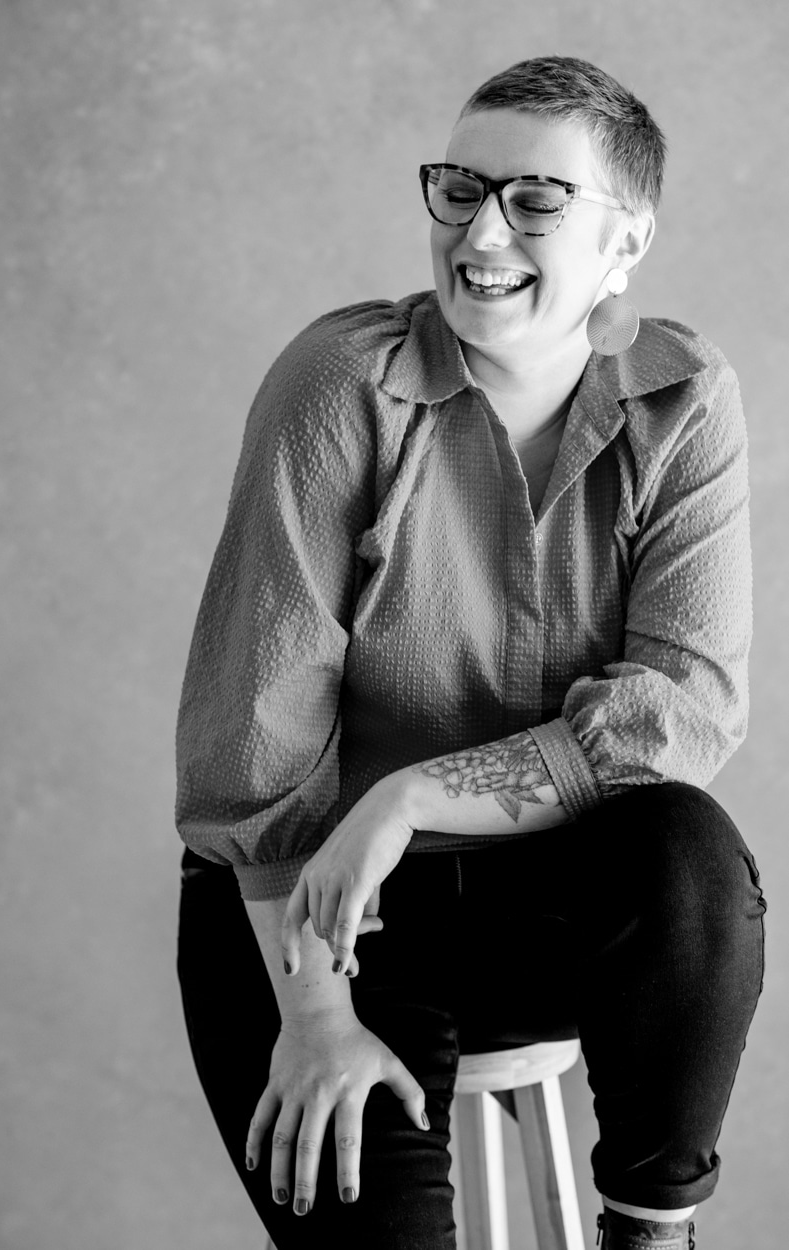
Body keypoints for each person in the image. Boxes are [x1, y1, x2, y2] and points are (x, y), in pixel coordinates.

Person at [175, 55, 765, 1250]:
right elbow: (254, 729)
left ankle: (651, 1232)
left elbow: (675, 715)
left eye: (534, 198)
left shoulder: (681, 400)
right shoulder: (342, 385)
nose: (479, 232)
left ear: (625, 239)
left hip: (547, 914)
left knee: (686, 850)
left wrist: (409, 796)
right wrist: (315, 1013)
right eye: (459, 188)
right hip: (314, 915)